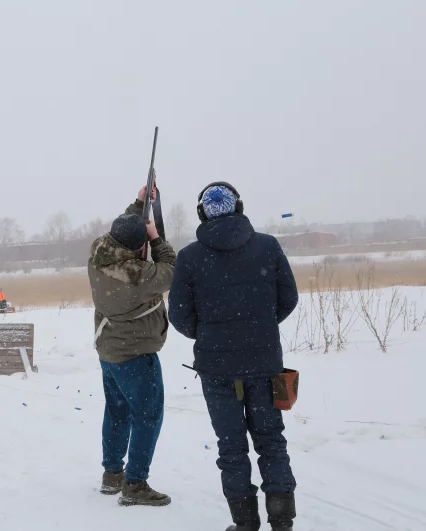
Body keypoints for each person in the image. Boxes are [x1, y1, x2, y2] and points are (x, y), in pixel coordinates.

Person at [167, 183, 299, 530]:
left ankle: (245, 525)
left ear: (201, 213)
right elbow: (288, 298)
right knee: (271, 442)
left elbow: (179, 315)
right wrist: (260, 328)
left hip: (217, 369)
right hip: (266, 365)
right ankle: (282, 523)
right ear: (238, 207)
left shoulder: (189, 257)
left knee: (232, 448)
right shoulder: (268, 247)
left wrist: (212, 334)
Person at [87, 184, 176, 507]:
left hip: (108, 350)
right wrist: (155, 238)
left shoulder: (99, 251)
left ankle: (112, 475)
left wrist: (140, 204)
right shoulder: (139, 274)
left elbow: (123, 227)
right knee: (148, 416)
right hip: (135, 354)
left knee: (117, 411)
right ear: (138, 250)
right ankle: (135, 483)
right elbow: (171, 269)